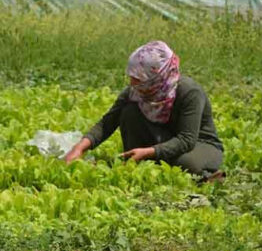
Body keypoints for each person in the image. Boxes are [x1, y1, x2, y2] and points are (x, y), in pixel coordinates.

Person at [64, 41, 224, 178]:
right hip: (161, 139)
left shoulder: (189, 92)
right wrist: (79, 147)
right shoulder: (136, 92)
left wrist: (149, 152)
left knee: (185, 163)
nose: (133, 84)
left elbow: (186, 140)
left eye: (139, 80)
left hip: (199, 144)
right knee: (128, 111)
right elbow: (107, 123)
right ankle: (142, 159)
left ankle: (207, 176)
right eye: (132, 78)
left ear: (158, 77)